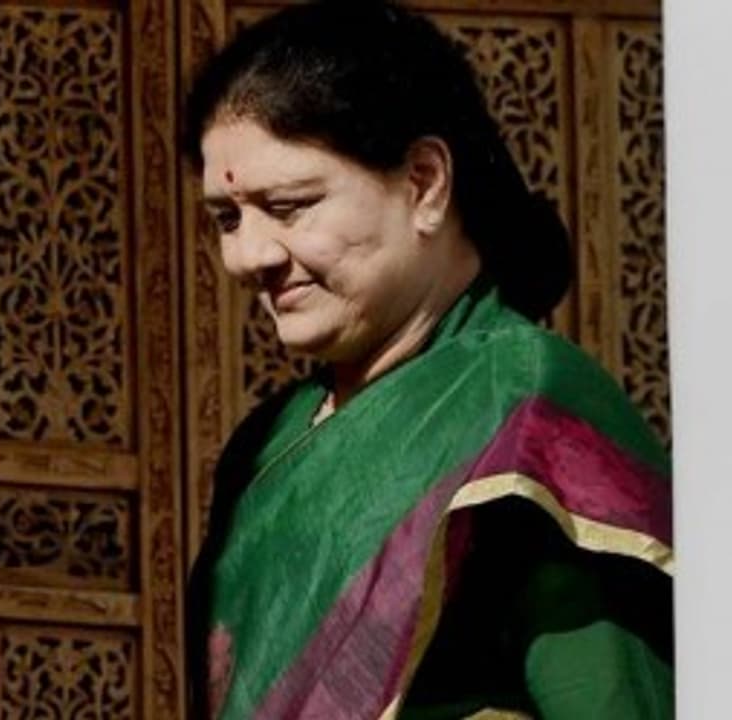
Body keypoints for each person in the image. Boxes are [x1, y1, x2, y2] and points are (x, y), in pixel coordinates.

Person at [182, 2, 674, 718]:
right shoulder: (269, 442)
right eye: (228, 218)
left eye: (288, 206)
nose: (248, 256)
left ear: (423, 182)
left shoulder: (525, 416)